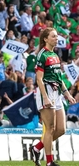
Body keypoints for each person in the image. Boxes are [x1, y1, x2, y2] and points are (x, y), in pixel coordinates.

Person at [29, 28, 76, 166]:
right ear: (45, 39)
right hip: (47, 92)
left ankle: (36, 148)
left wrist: (67, 93)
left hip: (57, 93)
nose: (57, 38)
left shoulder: (55, 55)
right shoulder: (42, 55)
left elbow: (59, 77)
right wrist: (45, 97)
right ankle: (49, 162)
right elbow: (39, 79)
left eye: (57, 36)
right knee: (49, 128)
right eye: (54, 36)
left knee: (61, 129)